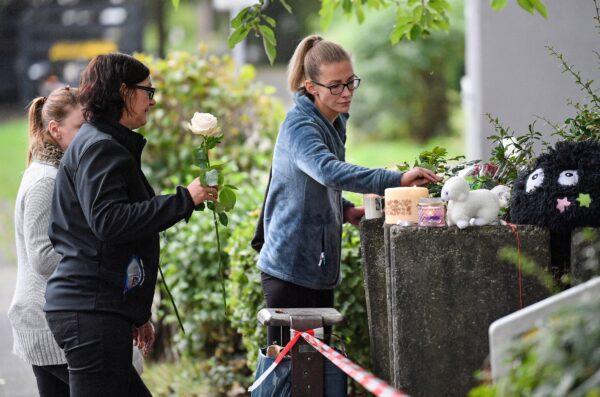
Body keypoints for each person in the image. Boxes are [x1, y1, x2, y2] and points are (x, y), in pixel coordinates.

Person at [44, 53, 217, 397]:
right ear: (124, 92)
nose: (152, 101)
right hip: (90, 310)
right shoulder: (100, 147)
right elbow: (109, 222)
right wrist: (185, 199)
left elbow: (112, 235)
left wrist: (136, 312)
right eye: (147, 91)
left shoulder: (101, 143)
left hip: (99, 308)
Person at [257, 35, 439, 346]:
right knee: (291, 375)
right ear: (311, 86)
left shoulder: (333, 120)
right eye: (335, 85)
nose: (346, 93)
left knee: (315, 372)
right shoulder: (300, 126)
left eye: (351, 82)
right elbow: (327, 171)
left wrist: (344, 211)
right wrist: (396, 179)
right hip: (289, 270)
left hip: (317, 266)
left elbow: (311, 185)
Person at [8, 87, 82, 397]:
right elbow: (42, 258)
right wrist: (93, 245)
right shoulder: (44, 181)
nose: (87, 134)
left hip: (50, 320)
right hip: (46, 321)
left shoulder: (53, 174)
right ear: (55, 129)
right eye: (80, 126)